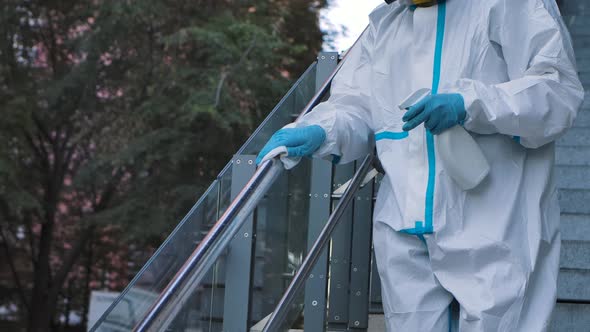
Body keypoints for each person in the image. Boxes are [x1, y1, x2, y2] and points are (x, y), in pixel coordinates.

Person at [256, 0, 584, 331]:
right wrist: (320, 129)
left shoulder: (509, 4)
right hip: (403, 223)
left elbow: (556, 90)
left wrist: (472, 104)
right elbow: (356, 106)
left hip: (496, 221)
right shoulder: (384, 27)